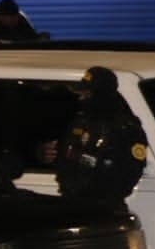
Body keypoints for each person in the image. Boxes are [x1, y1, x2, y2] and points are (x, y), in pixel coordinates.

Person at [54, 67, 149, 207]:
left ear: (101, 94)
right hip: (72, 202)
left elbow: (131, 171)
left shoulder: (125, 127)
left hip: (104, 206)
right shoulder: (82, 120)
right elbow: (67, 154)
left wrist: (103, 196)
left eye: (88, 93)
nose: (82, 98)